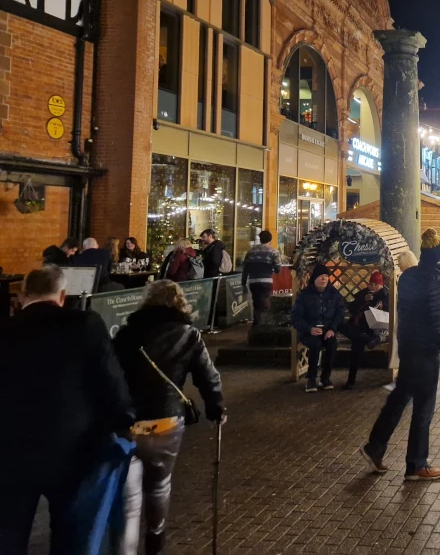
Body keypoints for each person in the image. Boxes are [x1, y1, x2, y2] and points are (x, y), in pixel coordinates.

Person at [0, 266, 133, 553]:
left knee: (8, 533)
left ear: (22, 296)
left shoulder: (6, 330)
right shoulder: (86, 324)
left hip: (11, 450)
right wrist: (123, 422)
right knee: (72, 533)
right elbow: (110, 381)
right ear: (62, 295)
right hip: (74, 447)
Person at [113, 280, 225, 555]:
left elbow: (111, 377)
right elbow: (207, 376)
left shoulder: (127, 334)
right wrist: (216, 407)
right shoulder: (188, 334)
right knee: (160, 484)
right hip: (166, 419)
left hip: (130, 421)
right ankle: (155, 539)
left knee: (129, 500)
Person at [360, 229, 440, 481]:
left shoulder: (408, 278)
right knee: (423, 410)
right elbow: (439, 325)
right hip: (425, 353)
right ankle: (416, 464)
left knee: (399, 398)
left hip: (408, 348)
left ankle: (375, 447)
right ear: (439, 256)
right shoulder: (434, 283)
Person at [290, 263, 347, 392]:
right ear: (314, 278)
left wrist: (332, 329)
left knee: (332, 344)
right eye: (321, 276)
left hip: (327, 330)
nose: (324, 279)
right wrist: (309, 328)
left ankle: (325, 378)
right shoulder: (304, 295)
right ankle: (311, 379)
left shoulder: (334, 294)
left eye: (326, 276)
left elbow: (340, 313)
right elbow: (295, 317)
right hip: (309, 331)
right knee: (315, 344)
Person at [341, 271, 388, 389]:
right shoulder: (364, 293)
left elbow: (393, 309)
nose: (373, 287)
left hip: (372, 328)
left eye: (376, 285)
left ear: (381, 285)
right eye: (371, 284)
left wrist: (383, 307)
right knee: (342, 325)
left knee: (357, 345)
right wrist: (363, 300)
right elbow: (351, 307)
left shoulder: (385, 296)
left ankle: (351, 380)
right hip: (358, 327)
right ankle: (366, 339)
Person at [241, 230, 282, 327]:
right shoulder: (273, 252)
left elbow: (245, 268)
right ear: (270, 240)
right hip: (266, 280)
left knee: (256, 302)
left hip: (253, 281)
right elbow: (278, 268)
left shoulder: (251, 251)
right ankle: (263, 326)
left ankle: (257, 323)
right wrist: (273, 269)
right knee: (265, 303)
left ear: (260, 239)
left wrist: (243, 282)